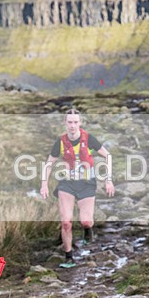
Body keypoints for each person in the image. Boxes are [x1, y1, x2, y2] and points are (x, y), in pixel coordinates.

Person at [40, 109, 115, 263]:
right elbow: (49, 164)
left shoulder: (89, 139)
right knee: (66, 222)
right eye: (69, 122)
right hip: (66, 184)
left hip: (86, 184)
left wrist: (108, 180)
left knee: (86, 221)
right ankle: (68, 257)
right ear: (65, 123)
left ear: (80, 123)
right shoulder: (60, 142)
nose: (72, 126)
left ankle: (88, 229)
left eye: (75, 122)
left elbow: (107, 156)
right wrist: (44, 184)